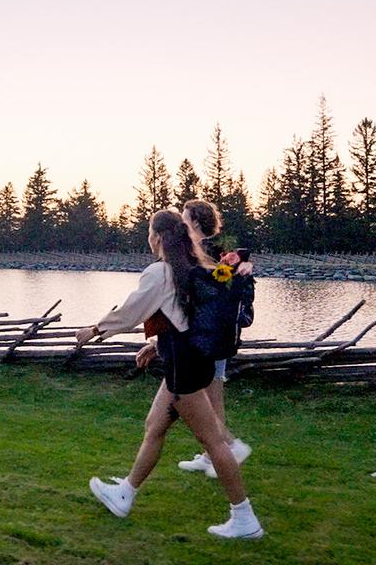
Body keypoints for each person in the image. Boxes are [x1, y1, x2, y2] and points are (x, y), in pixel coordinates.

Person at [76, 209, 264, 539]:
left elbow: (132, 311)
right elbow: (183, 320)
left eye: (149, 232)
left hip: (185, 371)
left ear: (158, 237)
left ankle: (244, 518)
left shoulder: (160, 272)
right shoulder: (191, 267)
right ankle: (125, 494)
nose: (148, 238)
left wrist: (94, 329)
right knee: (154, 426)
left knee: (215, 443)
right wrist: (156, 346)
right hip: (192, 361)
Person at [177, 199, 253, 478]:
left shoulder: (211, 251)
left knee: (208, 399)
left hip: (212, 335)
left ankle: (232, 447)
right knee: (212, 397)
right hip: (216, 334)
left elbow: (210, 290)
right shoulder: (217, 251)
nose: (181, 223)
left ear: (195, 221)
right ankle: (213, 455)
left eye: (184, 218)